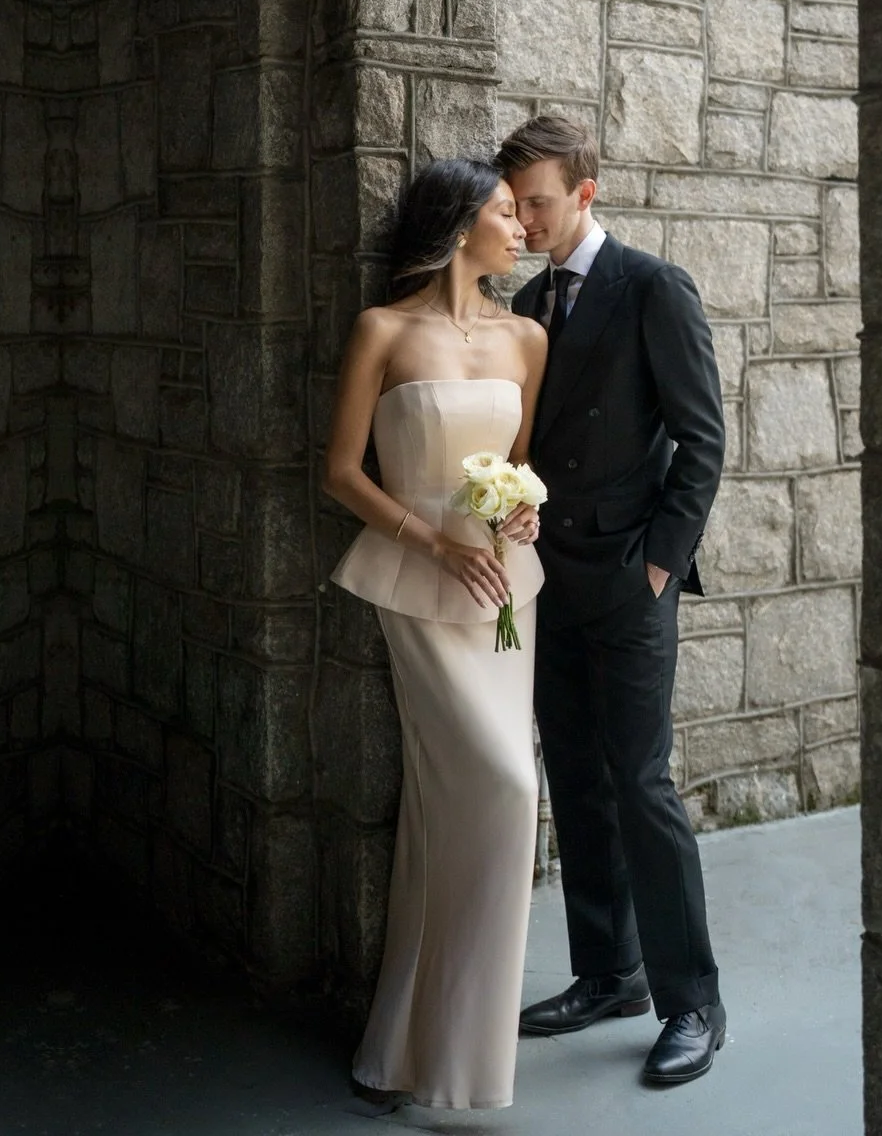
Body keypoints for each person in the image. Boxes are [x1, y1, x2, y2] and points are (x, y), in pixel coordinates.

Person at [497, 114, 728, 1088]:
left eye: (540, 201)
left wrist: (658, 568)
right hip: (553, 578)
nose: (529, 219)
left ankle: (694, 1005)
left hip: (629, 583)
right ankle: (608, 973)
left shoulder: (651, 287)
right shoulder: (527, 299)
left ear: (586, 191)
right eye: (519, 204)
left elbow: (702, 440)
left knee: (642, 784)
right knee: (579, 780)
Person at [323, 157, 549, 1112]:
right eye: (506, 213)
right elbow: (339, 472)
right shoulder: (383, 330)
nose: (522, 229)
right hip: (418, 586)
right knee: (501, 786)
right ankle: (434, 1052)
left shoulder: (528, 337)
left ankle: (426, 1054)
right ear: (461, 226)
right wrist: (432, 543)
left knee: (473, 808)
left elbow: (520, 466)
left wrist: (522, 518)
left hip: (504, 593)